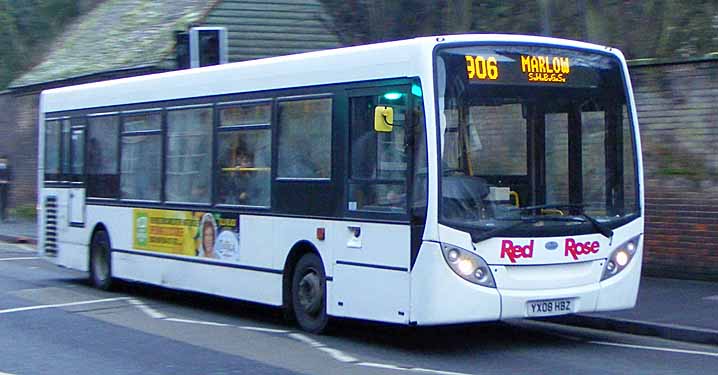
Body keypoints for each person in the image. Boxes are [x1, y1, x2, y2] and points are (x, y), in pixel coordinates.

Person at [0, 156, 11, 222]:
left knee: (4, 202)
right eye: (2, 161)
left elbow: (10, 177)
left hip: (5, 188)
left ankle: (3, 216)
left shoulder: (9, 168)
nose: (3, 162)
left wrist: (7, 181)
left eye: (4, 161)